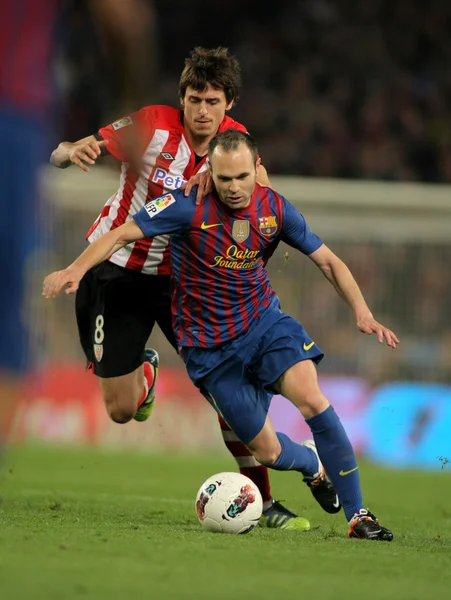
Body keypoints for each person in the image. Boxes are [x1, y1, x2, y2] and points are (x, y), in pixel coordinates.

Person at [43, 129, 400, 540]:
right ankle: (312, 466)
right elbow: (120, 233)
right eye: (225, 178)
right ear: (209, 172)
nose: (234, 188)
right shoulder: (183, 207)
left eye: (243, 177)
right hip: (209, 352)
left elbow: (328, 261)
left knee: (313, 400)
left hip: (265, 326)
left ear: (257, 169)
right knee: (266, 451)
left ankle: (358, 516)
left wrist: (362, 312)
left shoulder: (274, 208)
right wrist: (75, 269)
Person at [49, 46, 309, 531]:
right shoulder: (151, 125)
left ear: (228, 103)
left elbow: (261, 193)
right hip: (118, 268)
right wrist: (72, 152)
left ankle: (264, 501)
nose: (203, 111)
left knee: (227, 397)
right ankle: (143, 374)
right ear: (181, 99)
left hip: (186, 284)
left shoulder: (235, 146)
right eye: (194, 99)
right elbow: (64, 151)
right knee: (121, 410)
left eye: (213, 101)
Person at [0, 0, 155, 462]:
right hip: (14, 114)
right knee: (120, 406)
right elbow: (126, 22)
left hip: (14, 110)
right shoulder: (147, 129)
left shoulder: (230, 155)